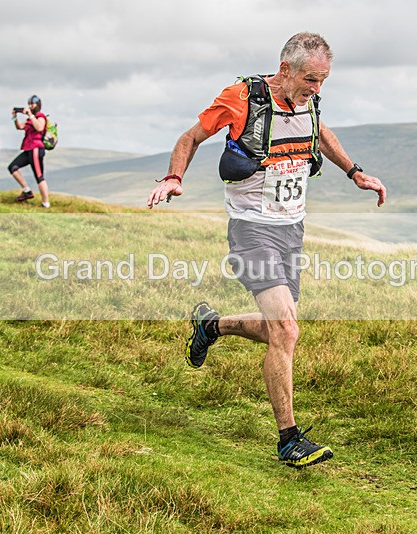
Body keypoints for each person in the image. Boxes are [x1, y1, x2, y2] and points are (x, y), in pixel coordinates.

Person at [147, 32, 387, 468]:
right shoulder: (242, 97)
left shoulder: (308, 100)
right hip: (251, 228)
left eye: (323, 80)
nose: (317, 88)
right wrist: (173, 177)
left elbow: (321, 132)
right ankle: (288, 440)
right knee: (287, 331)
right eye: (310, 79)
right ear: (285, 69)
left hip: (291, 230)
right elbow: (191, 137)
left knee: (280, 328)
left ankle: (212, 327)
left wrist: (356, 173)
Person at [9, 95, 50, 208]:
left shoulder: (40, 117)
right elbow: (19, 127)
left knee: (39, 175)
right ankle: (27, 191)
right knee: (12, 167)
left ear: (38, 105)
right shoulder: (29, 119)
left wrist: (31, 115)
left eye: (32, 104)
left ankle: (45, 203)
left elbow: (40, 128)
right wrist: (14, 117)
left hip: (36, 148)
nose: (30, 106)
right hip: (28, 149)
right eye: (29, 104)